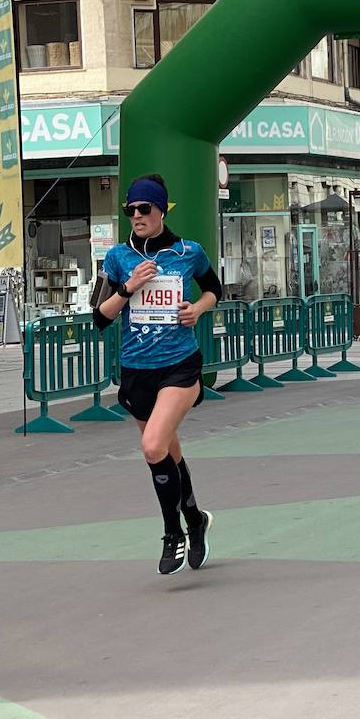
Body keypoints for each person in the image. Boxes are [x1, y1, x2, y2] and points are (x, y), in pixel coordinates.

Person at [93, 175, 222, 576]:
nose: (136, 216)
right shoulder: (117, 257)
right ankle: (195, 519)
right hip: (136, 371)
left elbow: (214, 289)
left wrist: (198, 309)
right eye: (130, 210)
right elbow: (99, 317)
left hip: (180, 364)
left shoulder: (189, 252)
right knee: (169, 452)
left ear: (162, 210)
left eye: (144, 209)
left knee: (152, 447)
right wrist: (129, 287)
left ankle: (173, 535)